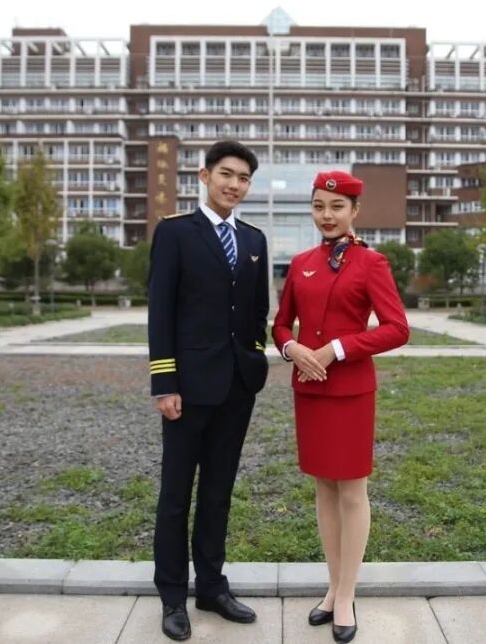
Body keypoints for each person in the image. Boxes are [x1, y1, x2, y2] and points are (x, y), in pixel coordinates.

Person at [272, 170, 409, 643]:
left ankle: (347, 595)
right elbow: (280, 324)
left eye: (336, 207)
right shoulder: (301, 263)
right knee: (324, 490)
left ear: (354, 211)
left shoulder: (372, 262)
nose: (326, 215)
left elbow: (397, 328)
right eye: (318, 207)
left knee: (352, 491)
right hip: (309, 389)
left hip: (350, 391)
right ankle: (332, 588)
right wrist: (291, 349)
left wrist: (338, 348)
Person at [148, 140, 269, 641]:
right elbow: (161, 311)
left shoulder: (255, 238)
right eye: (226, 174)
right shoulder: (176, 232)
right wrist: (164, 382)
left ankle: (212, 588)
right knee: (176, 496)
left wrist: (254, 358)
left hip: (236, 388)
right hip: (187, 389)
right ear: (204, 176)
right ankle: (173, 596)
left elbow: (257, 310)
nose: (234, 185)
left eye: (243, 178)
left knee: (218, 493)